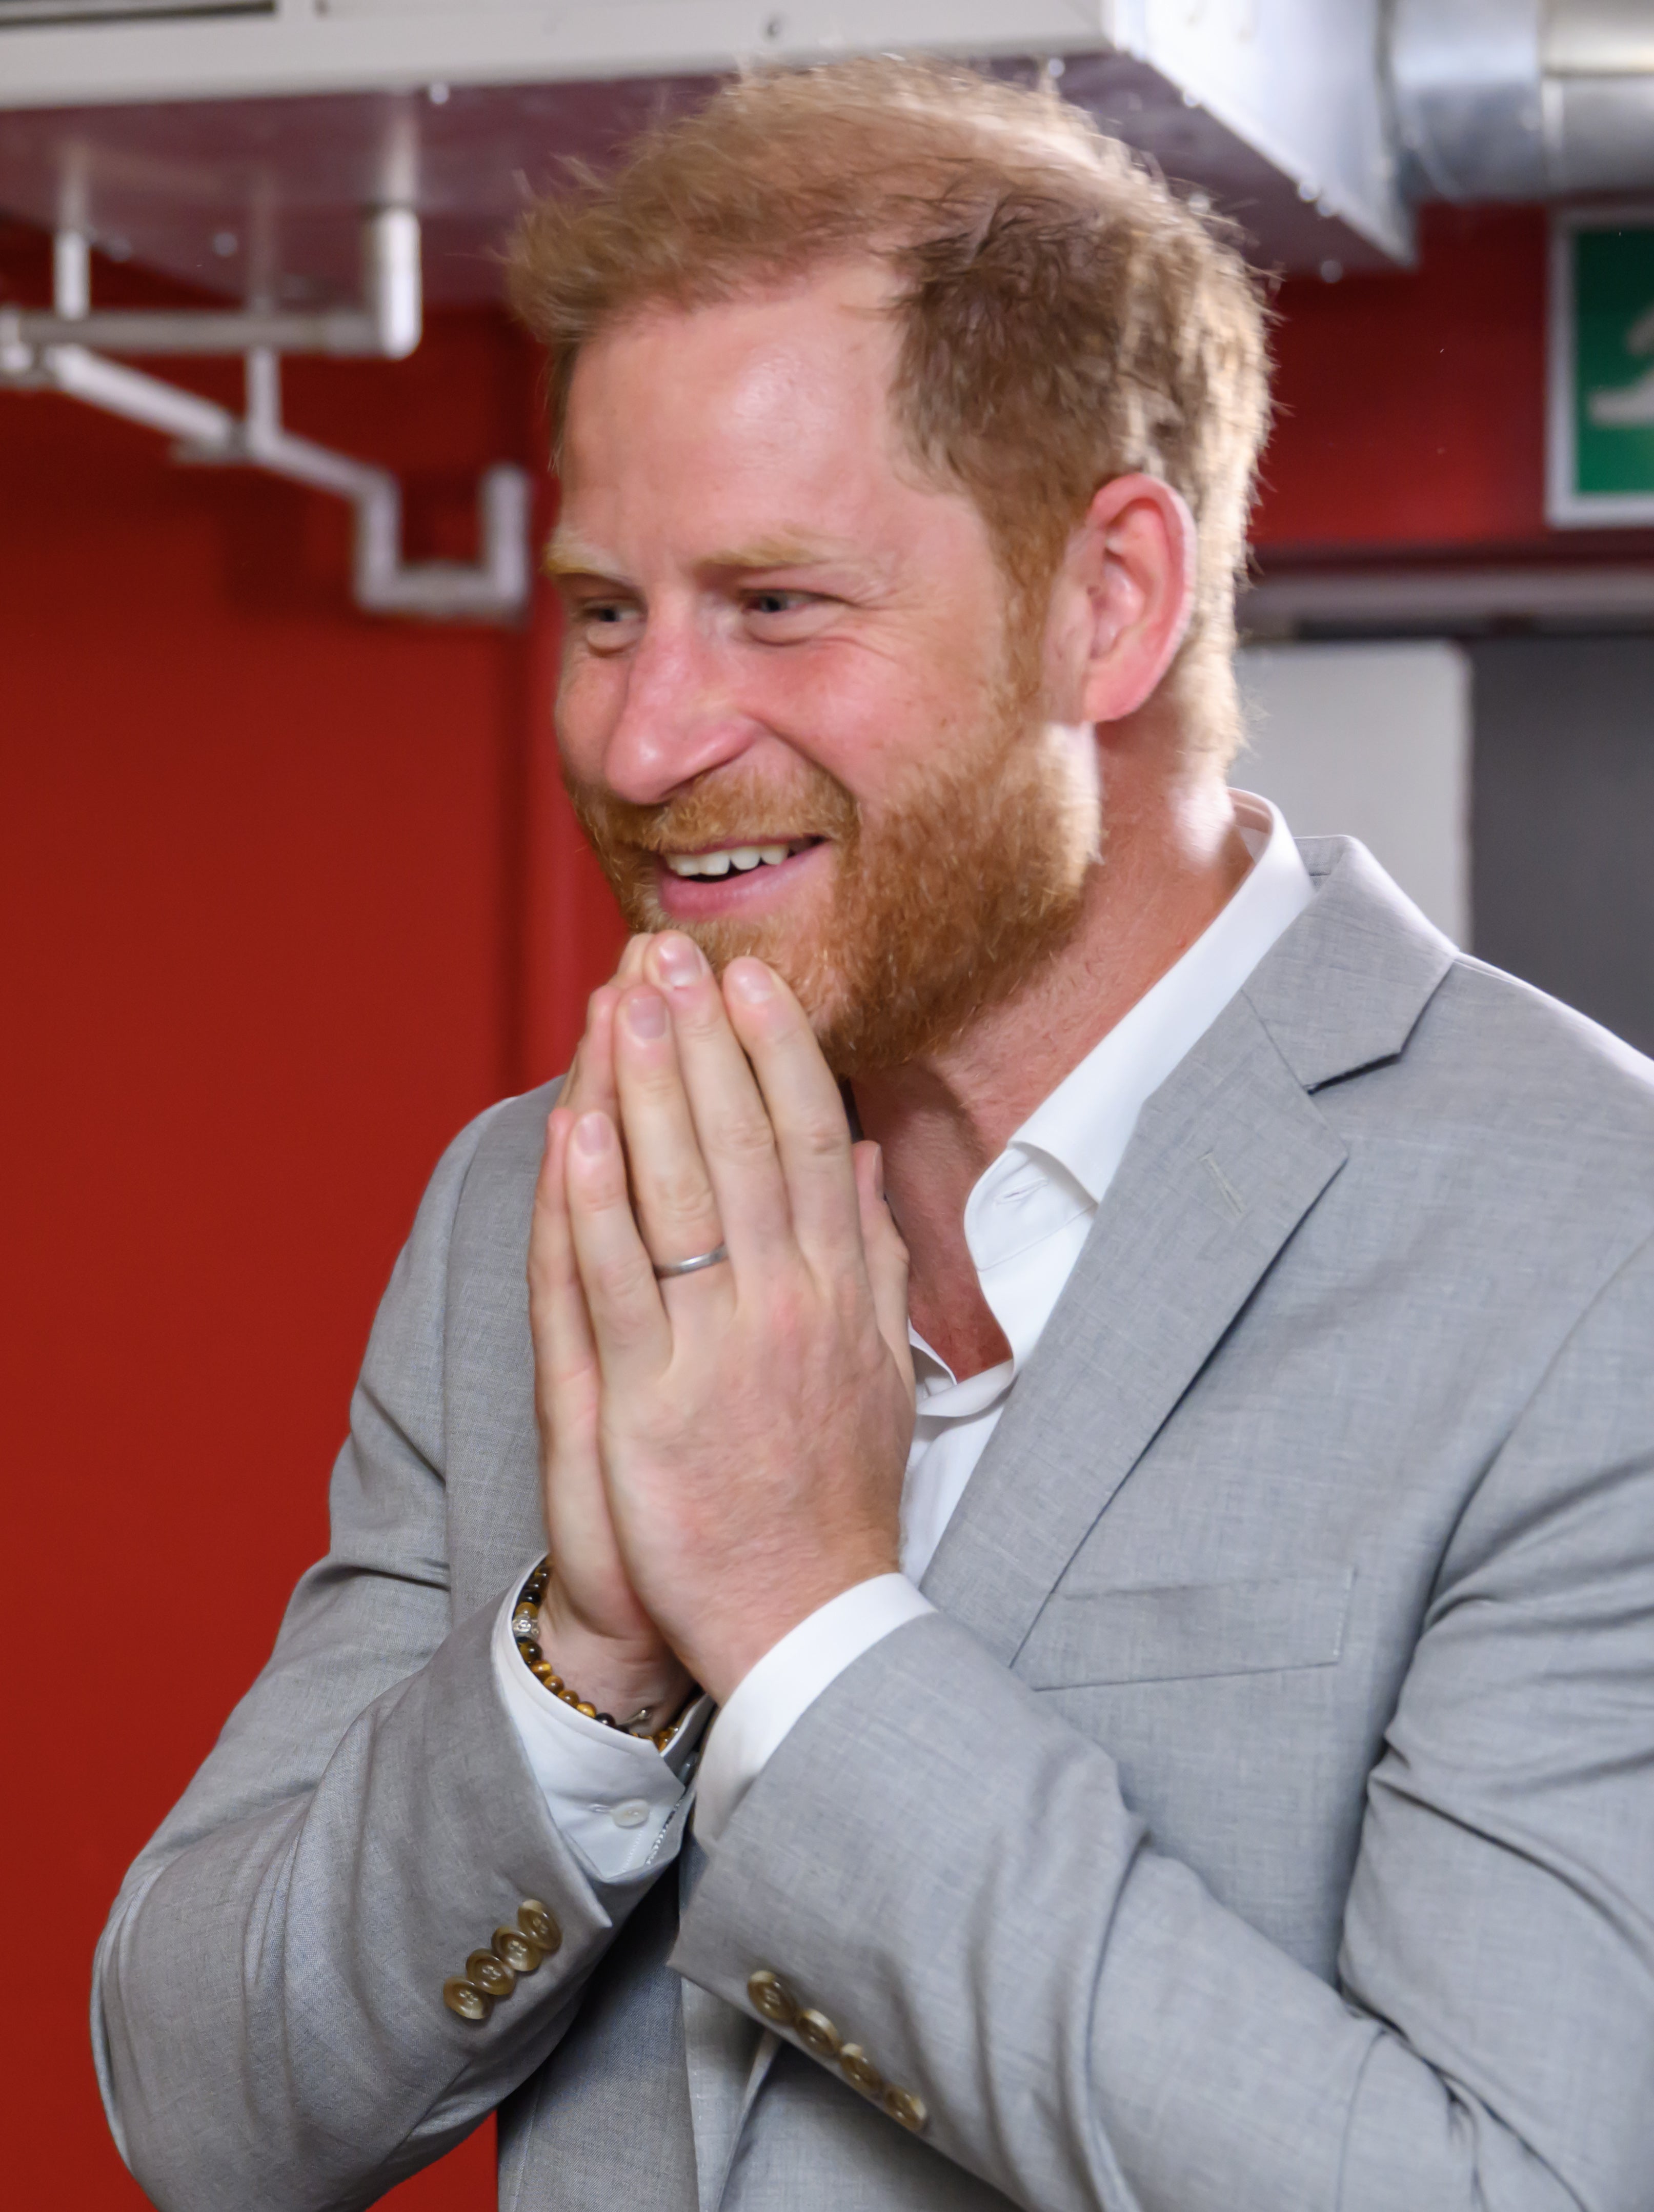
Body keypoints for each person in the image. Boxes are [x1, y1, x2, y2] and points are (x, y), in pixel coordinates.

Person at [94, 58, 1654, 2212]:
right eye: (610, 608)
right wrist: (597, 1655)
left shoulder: (1595, 1249)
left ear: (1106, 600)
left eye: (777, 605)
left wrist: (808, 1623)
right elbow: (205, 2114)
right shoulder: (534, 1201)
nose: (643, 740)